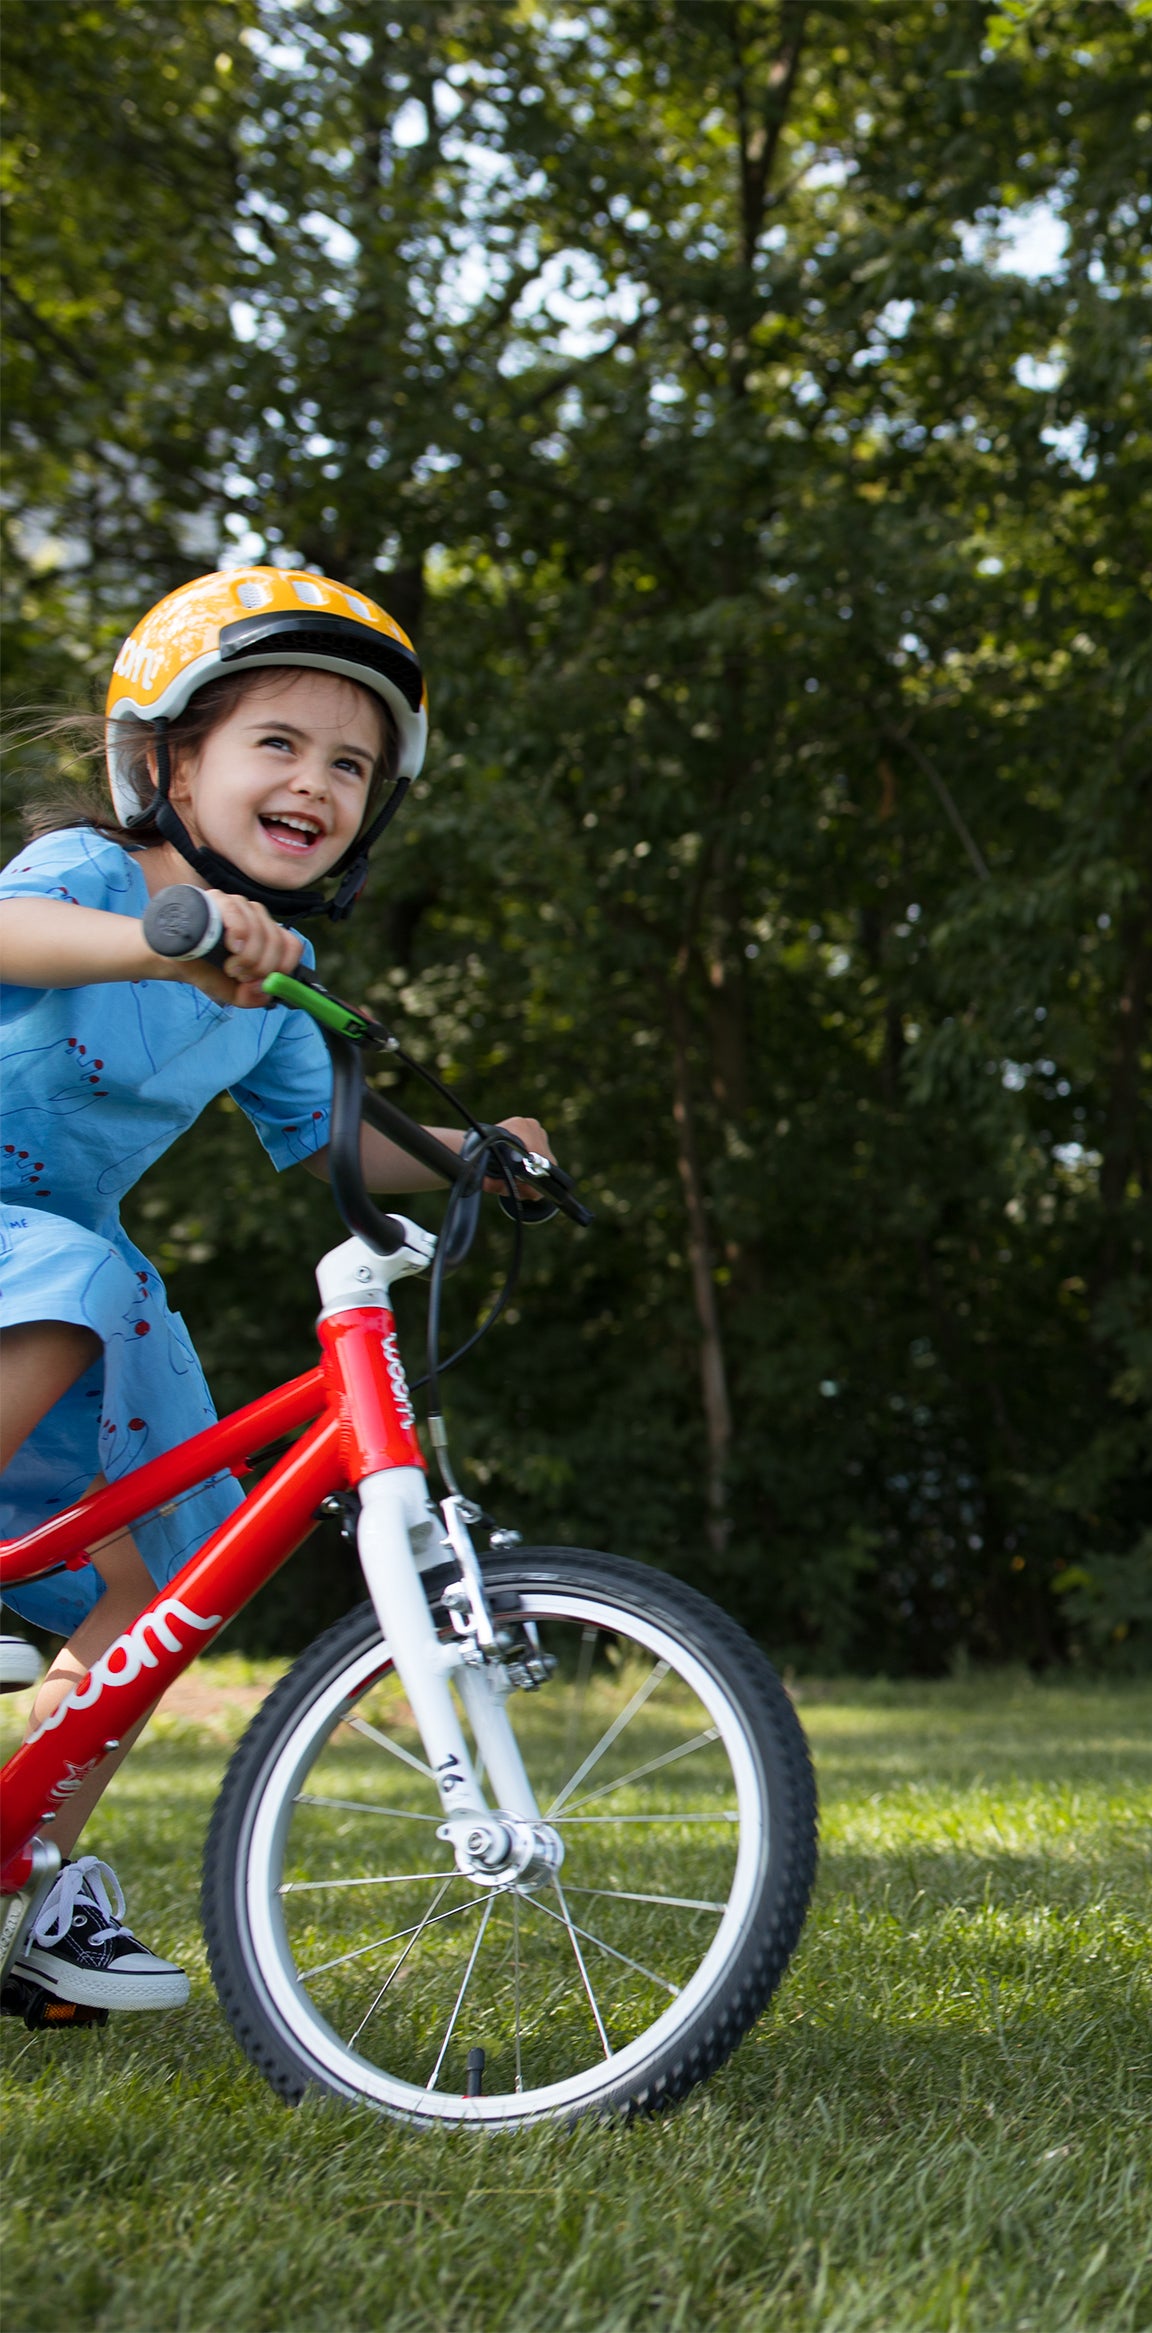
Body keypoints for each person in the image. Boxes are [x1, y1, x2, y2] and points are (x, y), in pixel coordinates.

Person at [0, 566, 550, 2012]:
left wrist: (476, 1156)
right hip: (22, 1265)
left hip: (55, 1296)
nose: (318, 781)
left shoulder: (276, 984)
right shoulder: (93, 880)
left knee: (161, 1577)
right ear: (167, 761)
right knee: (71, 1271)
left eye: (353, 764)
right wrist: (158, 941)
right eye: (279, 744)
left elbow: (340, 1136)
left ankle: (26, 1882)